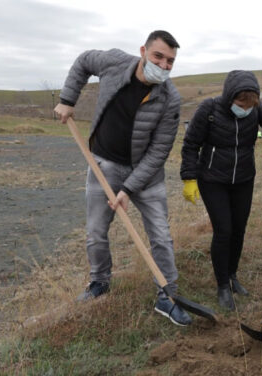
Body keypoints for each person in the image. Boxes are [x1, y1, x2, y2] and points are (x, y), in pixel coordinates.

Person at [54, 30, 192, 326]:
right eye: (158, 57)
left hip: (146, 175)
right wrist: (67, 99)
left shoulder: (170, 98)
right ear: (143, 51)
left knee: (161, 237)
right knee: (96, 231)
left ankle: (167, 297)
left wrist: (128, 189)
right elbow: (83, 62)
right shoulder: (114, 62)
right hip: (103, 163)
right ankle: (99, 282)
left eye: (170, 61)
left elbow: (159, 151)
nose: (164, 65)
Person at [180, 70, 262, 311]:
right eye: (239, 104)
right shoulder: (209, 110)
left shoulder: (256, 109)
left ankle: (233, 275)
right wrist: (189, 177)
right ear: (229, 97)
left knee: (238, 230)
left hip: (243, 179)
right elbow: (191, 143)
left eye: (249, 104)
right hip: (212, 179)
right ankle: (222, 285)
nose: (244, 109)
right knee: (223, 230)